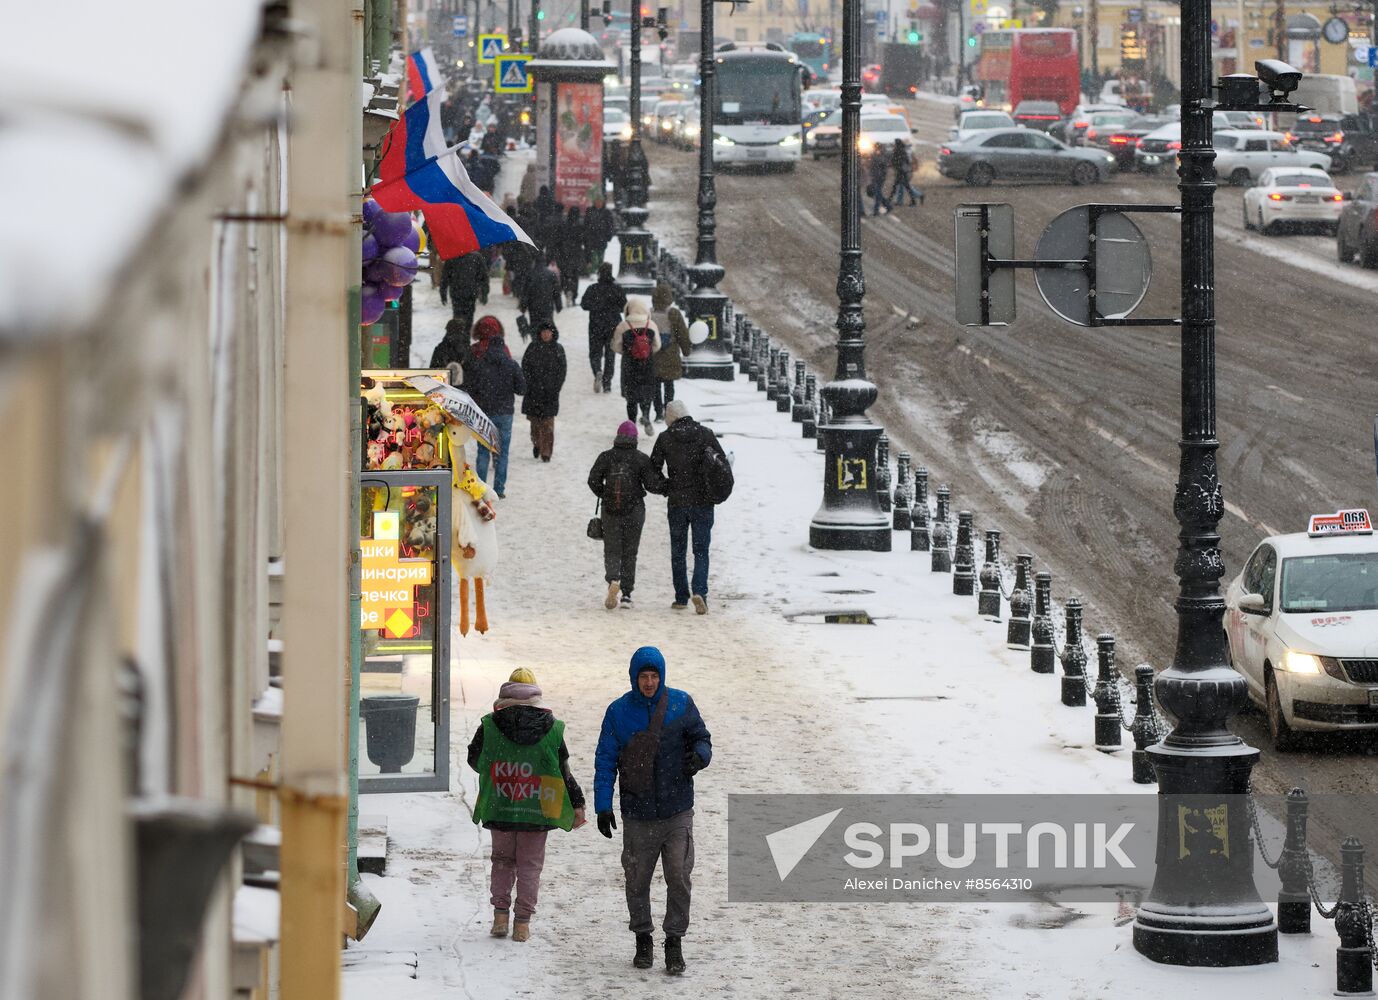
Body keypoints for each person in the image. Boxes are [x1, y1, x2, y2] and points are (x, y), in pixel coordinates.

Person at [594, 646, 711, 976]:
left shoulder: (681, 704)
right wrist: (603, 805)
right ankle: (643, 937)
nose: (649, 682)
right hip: (638, 812)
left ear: (662, 676)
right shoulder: (618, 712)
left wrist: (700, 756)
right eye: (643, 676)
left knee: (679, 876)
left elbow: (702, 737)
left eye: (654, 676)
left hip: (677, 811)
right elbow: (605, 760)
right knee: (636, 880)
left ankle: (674, 941)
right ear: (634, 677)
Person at [468, 668, 587, 943]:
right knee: (530, 866)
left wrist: (504, 769)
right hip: (537, 808)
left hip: (501, 803)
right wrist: (577, 801)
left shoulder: (490, 724)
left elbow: (475, 761)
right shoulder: (551, 726)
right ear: (535, 693)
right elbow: (562, 769)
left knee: (502, 860)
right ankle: (522, 924)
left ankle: (500, 916)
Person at [650, 399, 726, 614]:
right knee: (701, 550)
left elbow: (652, 469)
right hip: (703, 501)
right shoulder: (705, 434)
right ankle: (700, 591)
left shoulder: (665, 438)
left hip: (677, 502)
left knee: (678, 551)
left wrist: (666, 487)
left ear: (670, 418)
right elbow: (720, 463)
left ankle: (681, 597)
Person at [586, 420, 668, 609]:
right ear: (635, 439)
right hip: (634, 510)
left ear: (617, 437)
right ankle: (627, 595)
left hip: (611, 510)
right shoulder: (640, 458)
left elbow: (592, 480)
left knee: (612, 549)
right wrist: (669, 486)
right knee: (630, 552)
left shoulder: (606, 457)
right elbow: (652, 484)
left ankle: (613, 579)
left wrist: (604, 493)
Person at [463, 316, 526, 499]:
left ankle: (481, 488)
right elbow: (522, 389)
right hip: (505, 413)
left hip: (484, 412)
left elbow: (471, 388)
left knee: (483, 451)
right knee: (502, 452)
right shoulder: (511, 364)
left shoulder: (479, 363)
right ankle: (499, 489)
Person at [612, 301, 661, 437]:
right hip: (647, 365)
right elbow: (657, 345)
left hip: (629, 366)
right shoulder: (650, 325)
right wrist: (647, 352)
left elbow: (615, 346)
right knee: (646, 392)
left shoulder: (623, 326)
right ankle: (645, 415)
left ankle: (631, 424)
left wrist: (628, 352)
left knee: (631, 396)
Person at [520, 321, 567, 462]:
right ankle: (537, 444)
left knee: (547, 424)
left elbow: (562, 370)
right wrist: (530, 384)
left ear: (553, 333)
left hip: (550, 394)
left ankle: (546, 452)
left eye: (548, 332)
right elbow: (525, 367)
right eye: (544, 332)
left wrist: (556, 387)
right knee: (535, 423)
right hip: (533, 392)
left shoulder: (558, 349)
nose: (546, 335)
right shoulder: (532, 348)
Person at [580, 263, 627, 393]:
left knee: (595, 352)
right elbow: (624, 306)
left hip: (596, 324)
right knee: (610, 354)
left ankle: (597, 371)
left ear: (599, 273)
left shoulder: (593, 288)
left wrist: (596, 307)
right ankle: (607, 383)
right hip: (613, 325)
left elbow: (584, 304)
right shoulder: (617, 289)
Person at [650, 287, 692, 422]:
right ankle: (668, 411)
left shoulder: (649, 314)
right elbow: (682, 334)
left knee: (655, 386)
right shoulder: (674, 314)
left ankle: (658, 413)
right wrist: (686, 350)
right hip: (670, 354)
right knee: (669, 385)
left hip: (654, 355)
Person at [441, 250, 489, 329]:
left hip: (458, 293)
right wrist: (485, 292)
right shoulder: (477, 257)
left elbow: (445, 277)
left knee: (458, 317)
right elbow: (484, 276)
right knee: (468, 317)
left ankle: (459, 334)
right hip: (470, 292)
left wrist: (443, 293)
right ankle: (465, 334)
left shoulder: (452, 258)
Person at [522, 257, 563, 339]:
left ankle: (535, 343)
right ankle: (546, 344)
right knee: (547, 326)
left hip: (534, 307)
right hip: (547, 306)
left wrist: (523, 306)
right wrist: (559, 305)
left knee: (534, 327)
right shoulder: (551, 274)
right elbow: (556, 292)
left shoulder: (530, 274)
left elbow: (525, 292)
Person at [556, 207, 585, 302]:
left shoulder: (563, 224)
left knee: (564, 273)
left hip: (564, 253)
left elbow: (558, 239)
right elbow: (583, 239)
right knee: (575, 275)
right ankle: (574, 294)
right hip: (576, 253)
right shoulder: (580, 225)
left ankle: (566, 289)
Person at [888, 139, 923, 207]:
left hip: (901, 172)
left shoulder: (898, 151)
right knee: (904, 188)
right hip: (903, 172)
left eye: (895, 144)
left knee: (899, 187)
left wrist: (892, 165)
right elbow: (905, 161)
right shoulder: (902, 151)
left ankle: (890, 200)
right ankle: (912, 201)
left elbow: (896, 161)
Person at [584, 199, 616, 270]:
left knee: (601, 255)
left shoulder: (606, 212)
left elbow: (610, 225)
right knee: (593, 255)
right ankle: (593, 270)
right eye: (597, 201)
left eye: (600, 201)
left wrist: (609, 235)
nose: (598, 203)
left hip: (602, 238)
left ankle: (599, 269)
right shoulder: (590, 211)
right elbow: (586, 224)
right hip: (592, 238)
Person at [868, 146, 892, 216]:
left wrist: (874, 156)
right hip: (876, 177)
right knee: (878, 194)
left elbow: (883, 163)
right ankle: (888, 206)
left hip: (879, 178)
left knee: (877, 194)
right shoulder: (876, 155)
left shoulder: (882, 155)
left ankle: (876, 210)